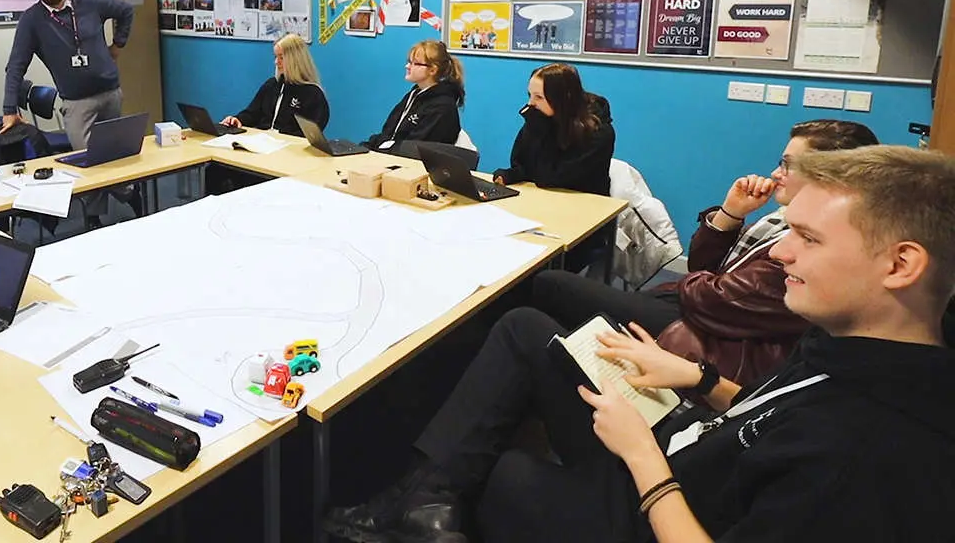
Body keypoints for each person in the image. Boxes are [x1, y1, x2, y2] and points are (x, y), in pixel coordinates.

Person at [326, 145, 955, 543]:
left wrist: (644, 462)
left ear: (900, 266)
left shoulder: (872, 453)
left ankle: (417, 507)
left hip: (658, 496)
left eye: (809, 240)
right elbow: (772, 414)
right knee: (526, 331)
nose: (784, 251)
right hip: (686, 443)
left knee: (510, 476)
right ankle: (423, 505)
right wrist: (697, 379)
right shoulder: (854, 343)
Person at [534, 119, 878, 384]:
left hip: (707, 329)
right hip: (700, 305)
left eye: (789, 165)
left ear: (831, 175)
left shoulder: (811, 241)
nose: (776, 173)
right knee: (558, 304)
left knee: (551, 285)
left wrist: (699, 284)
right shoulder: (783, 215)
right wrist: (730, 214)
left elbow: (713, 299)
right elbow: (701, 266)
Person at [0, 0, 134, 147]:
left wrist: (118, 45)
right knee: (85, 161)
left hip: (110, 94)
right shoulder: (32, 20)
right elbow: (15, 66)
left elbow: (126, 10)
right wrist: (9, 109)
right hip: (77, 103)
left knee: (114, 155)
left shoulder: (88, 2)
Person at [492, 63, 614, 196]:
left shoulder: (599, 134)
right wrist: (511, 175)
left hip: (588, 206)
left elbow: (549, 177)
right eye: (530, 95)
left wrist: (538, 128)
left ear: (563, 98)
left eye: (539, 97)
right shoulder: (543, 118)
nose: (530, 103)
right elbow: (525, 165)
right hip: (547, 200)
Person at [363, 40, 465, 153]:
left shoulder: (442, 107)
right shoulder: (414, 95)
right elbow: (389, 134)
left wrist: (380, 151)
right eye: (409, 62)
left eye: (415, 63)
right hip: (391, 157)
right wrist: (367, 147)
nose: (407, 66)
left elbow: (414, 149)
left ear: (432, 70)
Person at [221, 33, 328, 137]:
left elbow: (312, 134)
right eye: (276, 57)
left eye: (281, 57)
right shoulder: (271, 85)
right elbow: (252, 113)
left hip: (289, 149)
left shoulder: (313, 94)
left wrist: (278, 136)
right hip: (262, 141)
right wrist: (238, 119)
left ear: (295, 60)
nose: (276, 62)